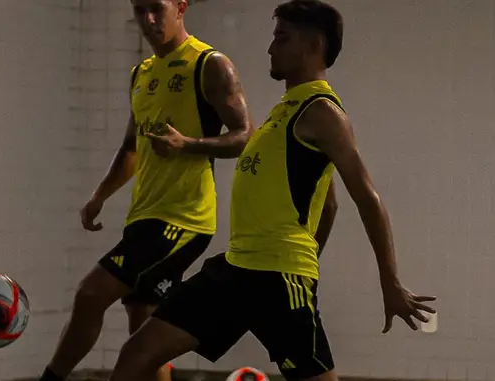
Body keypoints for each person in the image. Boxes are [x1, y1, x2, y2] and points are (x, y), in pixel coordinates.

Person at [105, 1, 439, 381]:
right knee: (137, 352)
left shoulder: (323, 112)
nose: (270, 48)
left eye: (282, 38)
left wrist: (389, 281)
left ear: (313, 46)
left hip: (278, 278)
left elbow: (367, 197)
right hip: (235, 269)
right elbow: (327, 203)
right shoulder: (286, 109)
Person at [38, 0, 255, 380]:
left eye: (157, 8)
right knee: (143, 329)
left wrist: (187, 144)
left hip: (183, 219)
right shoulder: (142, 73)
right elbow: (131, 148)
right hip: (145, 217)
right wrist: (100, 195)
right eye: (140, 10)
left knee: (91, 294)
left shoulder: (209, 64)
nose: (149, 19)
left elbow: (244, 138)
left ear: (181, 7)